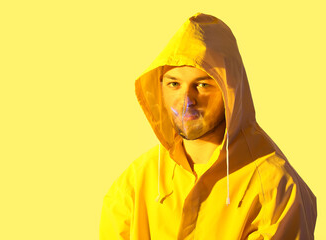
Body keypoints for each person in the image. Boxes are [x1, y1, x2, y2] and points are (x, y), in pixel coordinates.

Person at [99, 13, 317, 239]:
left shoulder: (274, 186)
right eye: (174, 84)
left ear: (230, 91)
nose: (187, 100)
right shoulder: (134, 184)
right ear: (159, 89)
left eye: (202, 85)